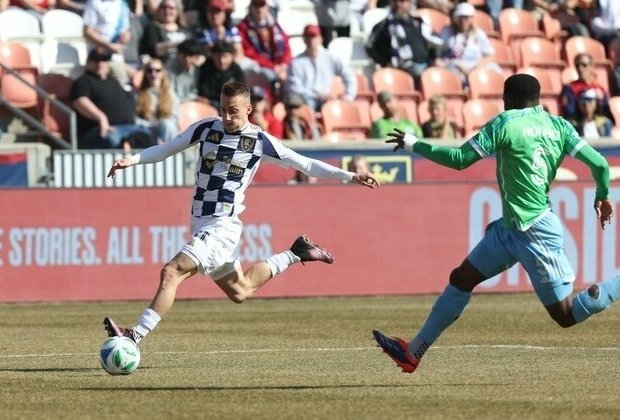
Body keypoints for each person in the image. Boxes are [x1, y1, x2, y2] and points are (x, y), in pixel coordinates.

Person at [102, 80, 380, 345]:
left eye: (233, 111)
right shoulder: (205, 128)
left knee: (171, 271)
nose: (226, 116)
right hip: (202, 224)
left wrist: (349, 175)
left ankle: (135, 335)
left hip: (222, 226)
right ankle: (297, 252)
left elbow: (305, 165)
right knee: (241, 290)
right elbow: (166, 149)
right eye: (222, 109)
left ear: (248, 109)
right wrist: (133, 160)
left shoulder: (260, 141)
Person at [372, 73, 615, 374]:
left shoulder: (505, 122)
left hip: (534, 231)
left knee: (565, 315)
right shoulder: (559, 126)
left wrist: (414, 144)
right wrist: (602, 196)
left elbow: (460, 158)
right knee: (462, 278)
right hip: (511, 229)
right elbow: (601, 165)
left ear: (507, 99)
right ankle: (413, 352)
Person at [70, 47, 154, 150]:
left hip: (130, 128)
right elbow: (80, 101)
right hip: (101, 130)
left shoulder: (113, 81)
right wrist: (101, 118)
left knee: (152, 139)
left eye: (104, 60)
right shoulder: (83, 81)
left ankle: (128, 143)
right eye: (96, 60)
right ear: (88, 62)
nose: (100, 63)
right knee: (113, 140)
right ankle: (126, 146)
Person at [285, 24, 357, 112]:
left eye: (314, 37)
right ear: (304, 39)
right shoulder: (296, 62)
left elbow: (348, 74)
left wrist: (349, 95)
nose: (311, 40)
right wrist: (315, 95)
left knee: (341, 108)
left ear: (320, 38)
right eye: (308, 37)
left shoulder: (329, 57)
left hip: (327, 100)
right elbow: (294, 88)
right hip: (307, 101)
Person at [365, 0, 439, 80]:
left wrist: (435, 58)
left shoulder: (418, 22)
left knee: (447, 71)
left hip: (426, 63)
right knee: (422, 73)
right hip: (406, 67)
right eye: (406, 1)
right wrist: (385, 63)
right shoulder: (385, 25)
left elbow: (431, 42)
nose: (411, 3)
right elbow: (370, 46)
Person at [436, 2, 499, 87]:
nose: (463, 21)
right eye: (461, 18)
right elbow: (438, 54)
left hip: (475, 66)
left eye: (467, 18)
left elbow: (489, 55)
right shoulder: (447, 32)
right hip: (455, 66)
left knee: (494, 70)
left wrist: (475, 68)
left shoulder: (478, 33)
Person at [135, 58, 180, 143]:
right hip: (148, 130)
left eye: (157, 70)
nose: (153, 74)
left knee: (167, 124)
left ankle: (170, 154)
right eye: (149, 70)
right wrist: (152, 125)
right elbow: (135, 119)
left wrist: (160, 125)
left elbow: (175, 118)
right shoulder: (138, 95)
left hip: (166, 131)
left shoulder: (171, 95)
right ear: (146, 73)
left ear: (163, 73)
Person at [560, 53, 611, 122]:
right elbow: (569, 113)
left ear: (592, 67)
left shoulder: (600, 88)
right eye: (577, 66)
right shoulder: (569, 88)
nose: (580, 68)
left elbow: (606, 112)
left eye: (584, 65)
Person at [139, 0, 192, 65]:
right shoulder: (153, 28)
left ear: (177, 11)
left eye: (171, 8)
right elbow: (155, 50)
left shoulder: (185, 30)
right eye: (163, 7)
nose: (167, 11)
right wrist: (177, 43)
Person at [197, 40, 245, 109]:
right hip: (206, 106)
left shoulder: (236, 70)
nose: (221, 60)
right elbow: (202, 92)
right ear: (212, 55)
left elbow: (241, 93)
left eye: (225, 56)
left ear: (232, 57)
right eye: (218, 56)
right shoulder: (205, 68)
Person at [166, 38, 204, 103]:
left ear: (196, 57)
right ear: (178, 54)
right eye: (184, 55)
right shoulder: (169, 68)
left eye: (191, 56)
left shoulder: (196, 69)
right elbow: (170, 96)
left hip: (189, 104)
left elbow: (193, 92)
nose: (187, 60)